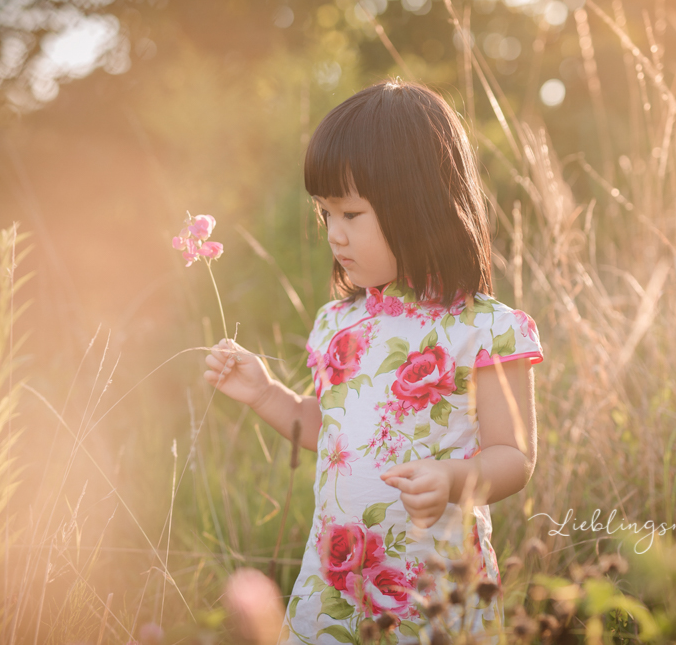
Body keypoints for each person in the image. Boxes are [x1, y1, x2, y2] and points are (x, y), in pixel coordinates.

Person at [204, 80, 542, 644]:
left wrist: (454, 476)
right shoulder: (338, 324)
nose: (334, 234)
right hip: (334, 580)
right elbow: (332, 434)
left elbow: (515, 456)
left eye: (352, 213)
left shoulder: (486, 328)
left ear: (419, 204)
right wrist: (266, 396)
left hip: (433, 584)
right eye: (325, 213)